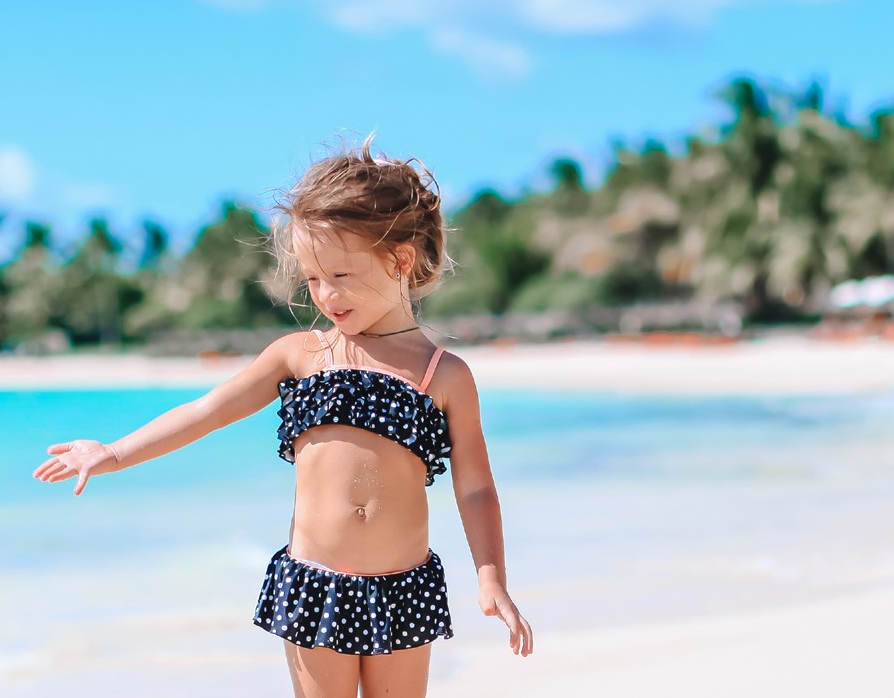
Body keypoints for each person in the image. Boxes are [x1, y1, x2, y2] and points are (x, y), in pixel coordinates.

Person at [31, 138, 533, 697]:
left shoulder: (444, 375)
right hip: (314, 584)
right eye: (313, 278)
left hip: (403, 588)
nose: (324, 294)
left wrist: (492, 578)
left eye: (341, 275)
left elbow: (476, 488)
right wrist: (115, 452)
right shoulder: (300, 355)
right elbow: (208, 411)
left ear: (400, 260)